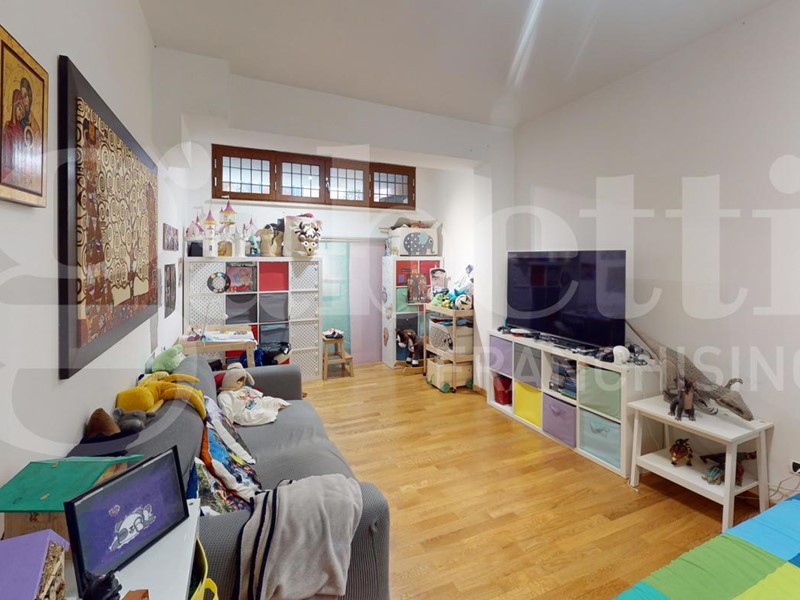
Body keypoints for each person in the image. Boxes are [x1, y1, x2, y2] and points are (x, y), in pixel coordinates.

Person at [1, 77, 42, 192]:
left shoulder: (26, 126)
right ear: (14, 106)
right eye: (19, 108)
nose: (20, 114)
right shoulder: (8, 128)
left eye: (26, 96)